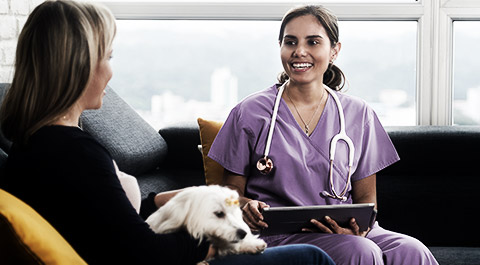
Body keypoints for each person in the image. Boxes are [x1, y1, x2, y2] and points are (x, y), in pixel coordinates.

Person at [0, 1, 336, 265]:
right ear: (80, 65)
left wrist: (179, 199)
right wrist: (218, 232)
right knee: (312, 258)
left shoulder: (35, 146)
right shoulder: (76, 153)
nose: (111, 71)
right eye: (108, 56)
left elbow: (99, 213)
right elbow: (149, 254)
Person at [208, 5, 439, 265]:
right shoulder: (250, 112)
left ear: (334, 51)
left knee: (412, 250)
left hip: (344, 231)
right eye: (290, 42)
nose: (299, 51)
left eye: (313, 42)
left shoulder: (358, 113)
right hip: (280, 234)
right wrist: (246, 205)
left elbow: (366, 201)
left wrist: (358, 230)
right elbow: (229, 190)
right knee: (360, 252)